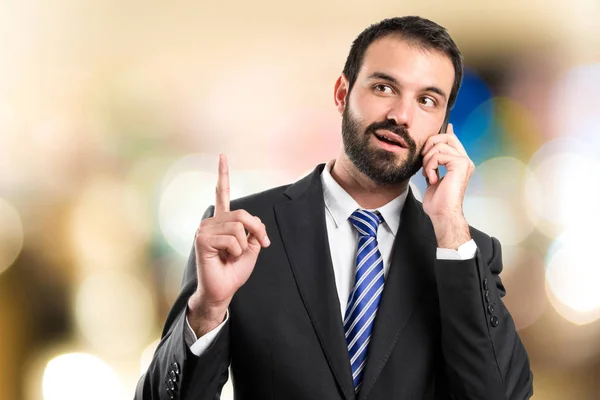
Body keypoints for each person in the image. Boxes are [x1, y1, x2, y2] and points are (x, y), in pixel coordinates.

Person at [135, 16, 533, 400]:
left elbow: (498, 393)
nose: (401, 115)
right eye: (383, 88)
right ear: (342, 94)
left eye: (427, 100)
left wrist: (450, 227)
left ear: (445, 126)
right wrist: (208, 310)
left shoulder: (463, 252)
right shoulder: (242, 233)